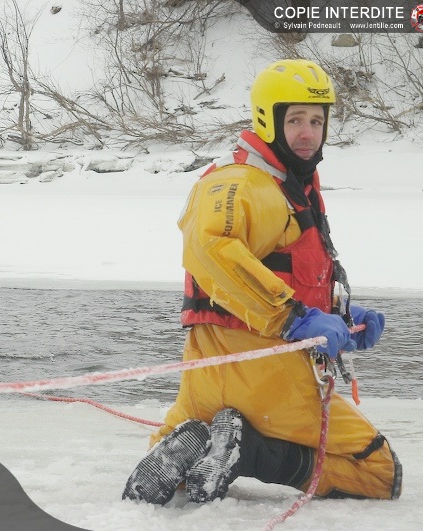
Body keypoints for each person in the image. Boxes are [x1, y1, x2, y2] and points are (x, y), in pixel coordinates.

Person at [122, 59, 400, 505]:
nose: (307, 133)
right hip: (266, 375)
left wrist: (341, 316)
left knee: (185, 447)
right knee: (379, 472)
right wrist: (294, 318)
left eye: (316, 121)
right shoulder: (242, 182)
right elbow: (211, 247)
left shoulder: (287, 183)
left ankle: (199, 445)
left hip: (207, 378)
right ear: (267, 120)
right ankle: (247, 451)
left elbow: (282, 269)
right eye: (295, 120)